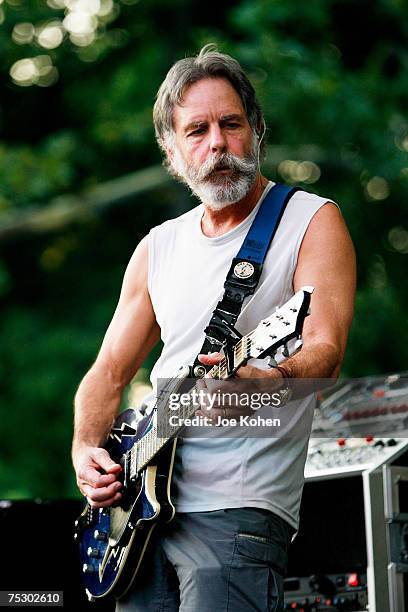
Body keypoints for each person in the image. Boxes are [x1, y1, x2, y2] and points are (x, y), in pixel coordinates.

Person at [72, 44, 356, 611]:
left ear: (255, 129)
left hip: (238, 508)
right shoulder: (158, 246)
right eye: (197, 130)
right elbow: (107, 372)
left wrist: (266, 378)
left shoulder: (310, 220)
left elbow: (324, 348)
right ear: (173, 151)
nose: (217, 144)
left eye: (231, 124)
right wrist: (85, 449)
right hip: (140, 513)